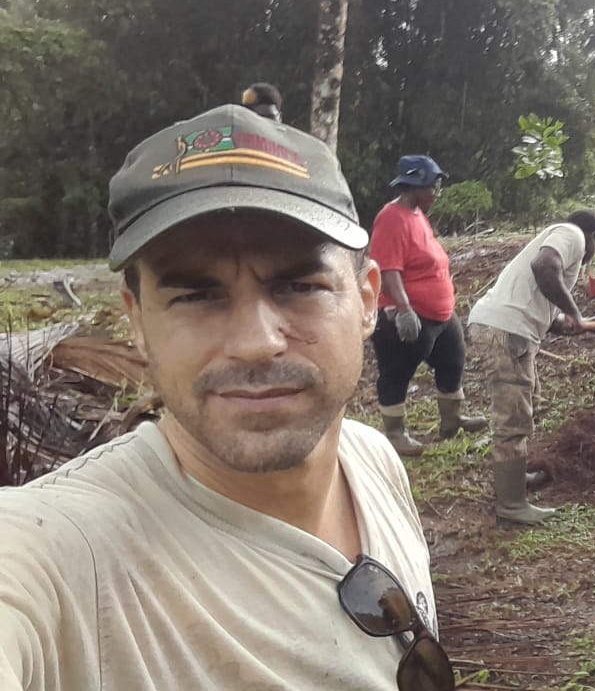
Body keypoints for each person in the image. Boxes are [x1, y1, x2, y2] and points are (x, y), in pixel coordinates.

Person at [0, 105, 452, 689]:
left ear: (368, 302)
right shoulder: (62, 555)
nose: (256, 344)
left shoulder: (372, 461)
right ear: (135, 321)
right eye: (195, 296)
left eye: (300, 286)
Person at [467, 210, 595, 525]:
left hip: (504, 326)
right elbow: (544, 267)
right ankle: (511, 504)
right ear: (594, 237)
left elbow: (550, 319)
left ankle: (514, 482)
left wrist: (582, 324)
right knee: (513, 418)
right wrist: (577, 312)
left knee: (525, 405)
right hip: (506, 331)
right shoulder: (572, 233)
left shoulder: (559, 242)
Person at [370, 154, 486, 455]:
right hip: (411, 315)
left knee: (453, 360)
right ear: (415, 185)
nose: (437, 193)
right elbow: (388, 269)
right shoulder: (391, 218)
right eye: (433, 186)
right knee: (397, 372)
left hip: (439, 315)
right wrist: (405, 310)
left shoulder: (417, 214)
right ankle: (395, 434)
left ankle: (452, 419)